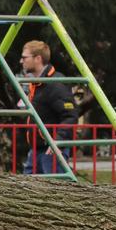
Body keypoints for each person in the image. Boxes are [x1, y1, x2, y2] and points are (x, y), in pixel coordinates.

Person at [20, 40, 77, 174]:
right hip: (37, 148)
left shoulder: (55, 84)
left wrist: (58, 140)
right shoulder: (36, 84)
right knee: (27, 188)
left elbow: (70, 115)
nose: (21, 61)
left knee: (56, 190)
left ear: (38, 59)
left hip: (51, 149)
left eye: (24, 57)